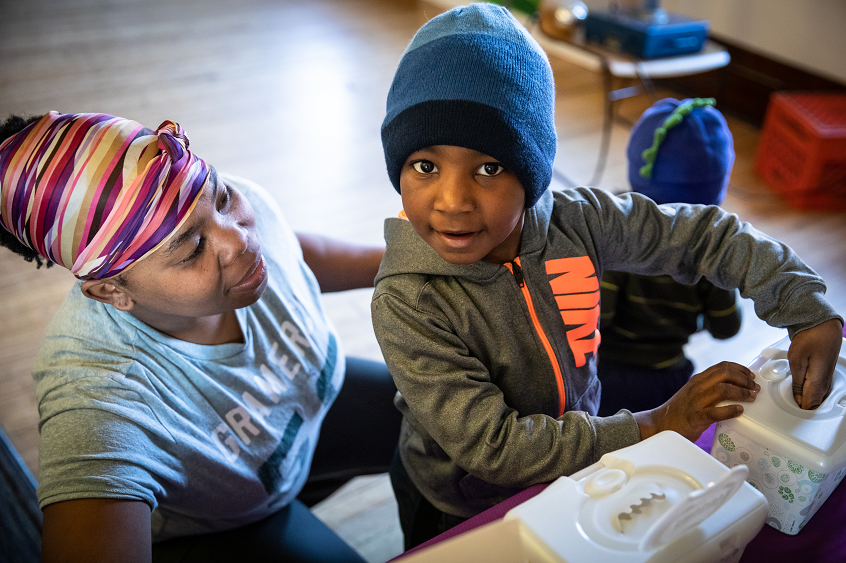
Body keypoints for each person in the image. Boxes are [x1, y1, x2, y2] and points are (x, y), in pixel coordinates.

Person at [371, 3, 844, 550]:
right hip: (461, 504)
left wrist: (801, 303)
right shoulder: (407, 300)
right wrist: (654, 424)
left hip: (581, 461)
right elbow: (495, 447)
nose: (452, 201)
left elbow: (700, 234)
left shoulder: (578, 221)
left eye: (489, 168)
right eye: (424, 166)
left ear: (531, 172)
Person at [0, 111, 402, 563]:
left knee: (444, 419)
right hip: (226, 524)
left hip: (303, 412)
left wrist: (408, 260)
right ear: (112, 291)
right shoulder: (101, 397)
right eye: (192, 248)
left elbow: (289, 248)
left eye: (224, 196)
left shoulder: (228, 221)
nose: (239, 240)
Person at [597, 97, 743, 416]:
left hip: (604, 376)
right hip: (669, 381)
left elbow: (598, 317)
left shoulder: (618, 234)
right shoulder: (712, 250)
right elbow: (727, 328)